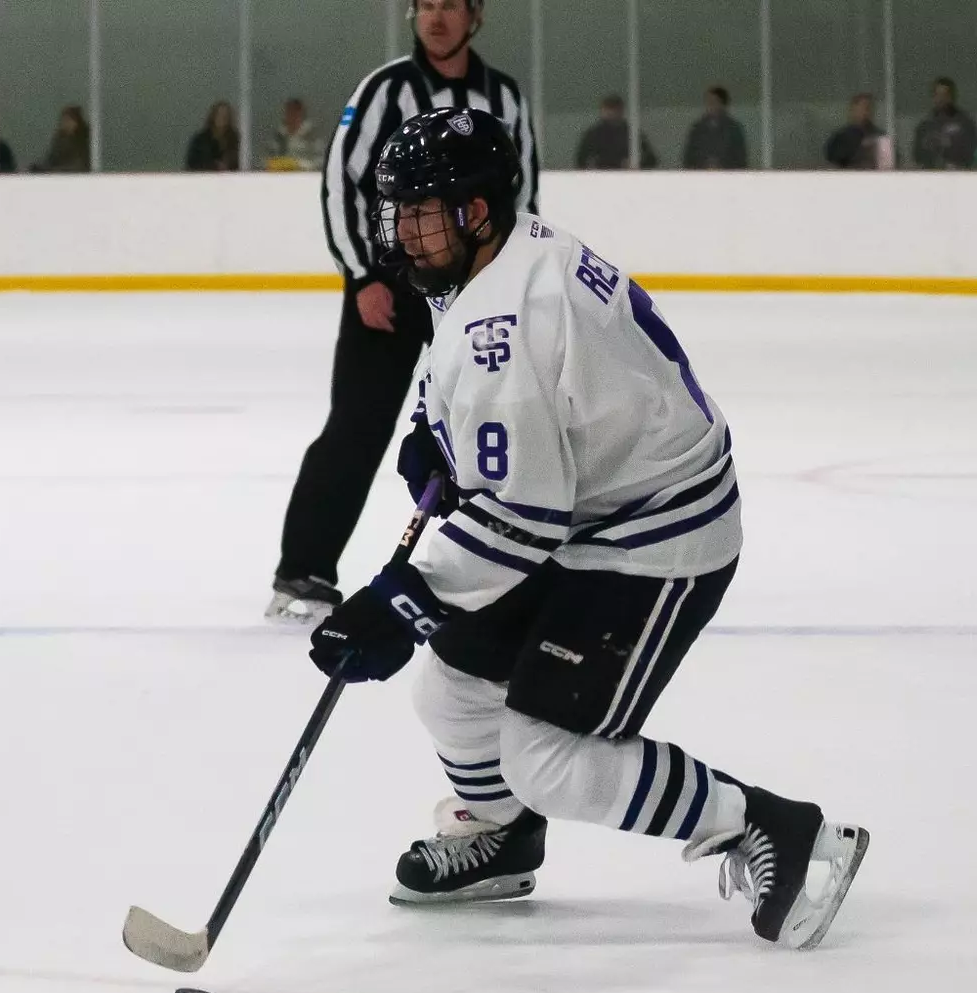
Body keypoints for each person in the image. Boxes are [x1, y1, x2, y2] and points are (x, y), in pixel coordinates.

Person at [307, 107, 868, 947]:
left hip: (655, 537)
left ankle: (777, 827)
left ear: (477, 211)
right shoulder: (494, 259)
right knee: (452, 692)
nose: (408, 232)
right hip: (590, 511)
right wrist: (433, 426)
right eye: (403, 211)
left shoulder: (512, 321)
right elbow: (450, 350)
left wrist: (404, 600)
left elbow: (523, 518)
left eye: (426, 211)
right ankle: (500, 839)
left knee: (545, 757)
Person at [268, 0, 538, 623]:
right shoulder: (384, 89)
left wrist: (515, 284)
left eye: (450, 6)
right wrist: (363, 275)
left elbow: (524, 194)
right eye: (426, 6)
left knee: (494, 425)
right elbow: (342, 181)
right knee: (358, 425)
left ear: (475, 17)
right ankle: (304, 570)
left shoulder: (505, 96)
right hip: (389, 289)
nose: (436, 18)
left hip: (476, 291)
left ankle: (501, 571)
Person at [575, 95, 657, 170]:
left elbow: (651, 159)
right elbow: (581, 160)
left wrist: (635, 164)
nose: (611, 113)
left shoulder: (631, 132)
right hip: (602, 177)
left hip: (626, 178)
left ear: (621, 111)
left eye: (614, 110)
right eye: (608, 110)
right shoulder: (594, 134)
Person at [911, 77, 977, 170]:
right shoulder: (925, 125)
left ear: (952, 96)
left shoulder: (965, 123)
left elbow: (973, 153)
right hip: (930, 176)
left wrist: (950, 145)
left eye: (944, 94)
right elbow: (917, 156)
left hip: (959, 176)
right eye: (937, 95)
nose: (941, 99)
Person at [682, 86, 748, 170]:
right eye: (708, 101)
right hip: (700, 177)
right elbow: (688, 157)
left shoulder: (734, 129)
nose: (710, 105)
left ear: (722, 104)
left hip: (728, 177)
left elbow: (740, 158)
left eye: (714, 101)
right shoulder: (697, 129)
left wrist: (722, 166)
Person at [823, 93, 884, 170]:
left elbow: (891, 160)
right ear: (853, 110)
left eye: (868, 108)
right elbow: (833, 160)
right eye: (862, 108)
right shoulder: (840, 137)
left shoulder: (880, 137)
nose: (865, 112)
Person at [266, 98, 324, 171]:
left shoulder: (312, 136)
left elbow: (321, 161)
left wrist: (300, 165)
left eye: (295, 113)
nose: (292, 117)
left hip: (306, 177)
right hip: (281, 177)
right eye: (289, 113)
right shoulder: (279, 136)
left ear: (302, 115)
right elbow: (268, 158)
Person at [31, 106, 91, 173]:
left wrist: (56, 170)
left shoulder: (83, 142)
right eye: (64, 120)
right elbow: (51, 160)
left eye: (68, 120)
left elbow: (79, 165)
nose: (65, 123)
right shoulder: (60, 140)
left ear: (76, 122)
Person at [185, 101, 240, 172]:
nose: (222, 118)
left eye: (225, 116)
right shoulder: (200, 141)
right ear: (213, 116)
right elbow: (192, 164)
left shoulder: (234, 139)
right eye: (219, 115)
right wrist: (214, 166)